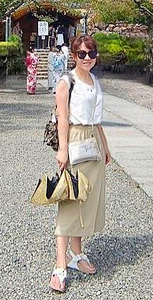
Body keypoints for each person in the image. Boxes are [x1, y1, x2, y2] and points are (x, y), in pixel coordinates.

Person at [48, 35, 111, 293]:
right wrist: (62, 149)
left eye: (91, 53)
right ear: (73, 56)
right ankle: (60, 265)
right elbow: (62, 118)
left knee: (86, 200)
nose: (87, 58)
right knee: (70, 200)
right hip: (75, 140)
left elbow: (97, 119)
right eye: (82, 54)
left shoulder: (94, 80)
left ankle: (76, 253)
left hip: (93, 141)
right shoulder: (67, 81)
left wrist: (105, 147)